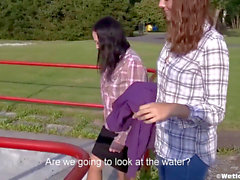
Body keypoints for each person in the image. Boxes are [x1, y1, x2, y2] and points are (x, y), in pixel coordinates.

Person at [133, 0, 229, 180]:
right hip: (165, 145)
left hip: (188, 155)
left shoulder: (212, 44)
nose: (161, 4)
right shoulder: (175, 36)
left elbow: (215, 111)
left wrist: (172, 109)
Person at [87, 16, 147, 180]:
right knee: (94, 164)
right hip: (112, 125)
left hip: (128, 130)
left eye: (98, 42)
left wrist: (122, 138)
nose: (97, 46)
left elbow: (138, 105)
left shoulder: (132, 63)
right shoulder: (113, 59)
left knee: (125, 175)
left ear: (109, 39)